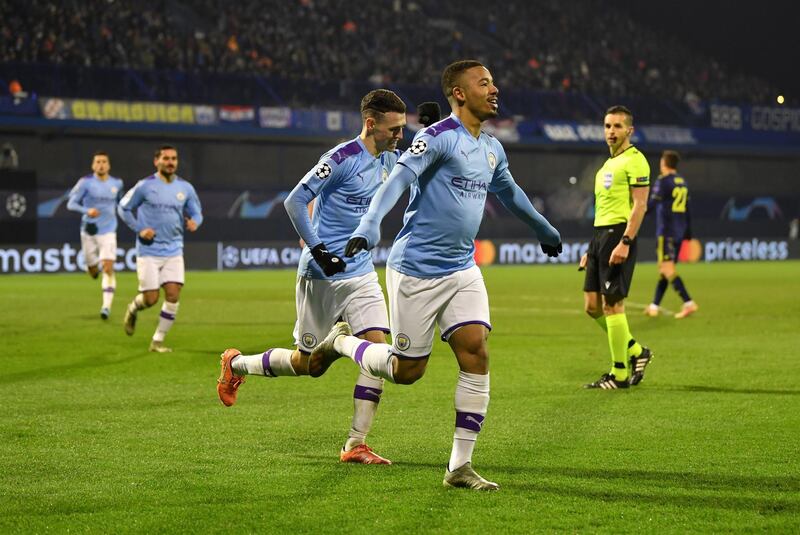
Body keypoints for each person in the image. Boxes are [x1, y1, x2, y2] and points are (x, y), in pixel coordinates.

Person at [319, 60, 562, 490]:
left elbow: (510, 192)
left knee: (476, 351)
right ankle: (341, 342)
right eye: (483, 82)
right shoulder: (437, 139)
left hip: (462, 267)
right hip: (416, 270)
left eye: (493, 80)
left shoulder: (491, 147)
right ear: (459, 93)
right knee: (407, 371)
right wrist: (371, 223)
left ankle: (459, 467)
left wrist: (543, 226)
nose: (494, 88)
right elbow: (398, 178)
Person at [216, 89, 409, 465]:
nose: (399, 136)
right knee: (309, 366)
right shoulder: (340, 159)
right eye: (394, 129)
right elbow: (295, 201)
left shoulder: (389, 160)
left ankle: (356, 444)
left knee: (378, 351)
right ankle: (235, 364)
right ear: (371, 124)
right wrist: (319, 248)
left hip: (362, 273)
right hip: (321, 276)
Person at [579, 105, 653, 390]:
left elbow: (640, 205)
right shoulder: (607, 166)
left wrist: (625, 241)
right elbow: (603, 210)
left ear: (629, 130)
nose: (611, 131)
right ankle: (636, 351)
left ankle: (619, 373)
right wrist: (592, 248)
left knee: (612, 305)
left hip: (619, 235)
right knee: (592, 306)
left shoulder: (636, 161)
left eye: (617, 126)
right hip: (601, 236)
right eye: (608, 126)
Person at [118, 145, 203, 352]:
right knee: (151, 298)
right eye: (166, 158)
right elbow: (123, 207)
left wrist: (195, 223)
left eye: (174, 158)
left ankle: (157, 341)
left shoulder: (185, 188)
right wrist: (140, 229)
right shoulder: (144, 186)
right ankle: (133, 309)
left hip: (174, 249)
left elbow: (197, 212)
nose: (170, 162)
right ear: (156, 161)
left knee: (173, 295)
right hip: (149, 251)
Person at [66, 151, 124, 319]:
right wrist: (86, 210)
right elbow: (71, 203)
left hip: (109, 231)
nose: (101, 164)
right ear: (93, 165)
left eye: (104, 161)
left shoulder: (117, 183)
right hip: (89, 231)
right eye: (98, 161)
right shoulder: (85, 183)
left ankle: (106, 306)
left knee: (108, 267)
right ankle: (91, 268)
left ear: (109, 165)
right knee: (93, 272)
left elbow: (120, 203)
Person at [644, 150, 698, 319]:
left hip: (666, 231)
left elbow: (651, 204)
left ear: (664, 163)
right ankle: (654, 306)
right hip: (679, 232)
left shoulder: (663, 181)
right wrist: (688, 234)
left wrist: (637, 213)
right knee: (666, 270)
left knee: (666, 268)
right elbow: (688, 210)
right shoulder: (683, 183)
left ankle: (688, 302)